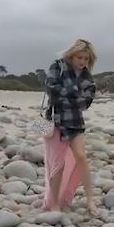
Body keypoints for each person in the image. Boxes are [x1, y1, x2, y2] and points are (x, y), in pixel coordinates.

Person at [42, 38, 99, 215]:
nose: (82, 61)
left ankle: (90, 199)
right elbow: (51, 89)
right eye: (79, 57)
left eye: (86, 59)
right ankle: (55, 203)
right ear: (72, 55)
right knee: (57, 164)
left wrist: (67, 93)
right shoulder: (57, 66)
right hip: (55, 120)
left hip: (75, 121)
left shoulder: (87, 76)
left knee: (81, 157)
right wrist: (75, 93)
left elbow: (86, 102)